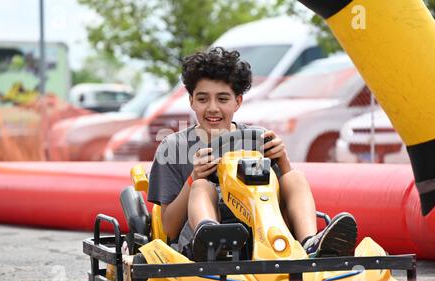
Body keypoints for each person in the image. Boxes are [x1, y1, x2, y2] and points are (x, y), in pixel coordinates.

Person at [148, 47, 357, 259]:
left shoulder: (257, 139)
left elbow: (281, 195)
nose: (212, 108)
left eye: (222, 99)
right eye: (203, 99)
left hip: (262, 232)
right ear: (191, 101)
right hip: (196, 249)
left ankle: (309, 243)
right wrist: (194, 178)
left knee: (295, 177)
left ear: (237, 102)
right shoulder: (173, 147)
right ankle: (211, 242)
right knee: (203, 186)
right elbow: (169, 229)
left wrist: (282, 161)